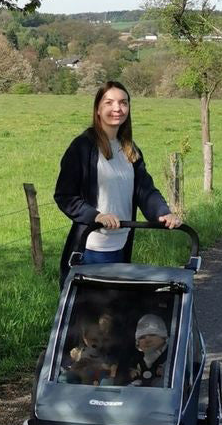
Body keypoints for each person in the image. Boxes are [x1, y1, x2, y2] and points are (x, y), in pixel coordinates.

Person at [53, 80, 181, 285]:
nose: (117, 108)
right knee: (90, 314)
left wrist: (163, 212)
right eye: (109, 102)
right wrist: (97, 216)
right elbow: (65, 196)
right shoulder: (82, 147)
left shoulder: (130, 149)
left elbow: (145, 190)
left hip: (121, 244)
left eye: (123, 103)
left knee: (114, 311)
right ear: (97, 109)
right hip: (91, 247)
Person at [127, 313, 169, 387]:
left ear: (163, 337)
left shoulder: (174, 357)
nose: (147, 340)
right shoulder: (135, 360)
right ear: (137, 343)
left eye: (153, 335)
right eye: (142, 337)